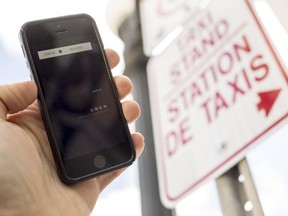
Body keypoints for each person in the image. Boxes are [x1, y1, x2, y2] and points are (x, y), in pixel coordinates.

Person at [0, 49, 145, 216]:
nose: (84, 89)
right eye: (76, 79)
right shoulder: (54, 119)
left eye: (89, 79)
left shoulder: (93, 116)